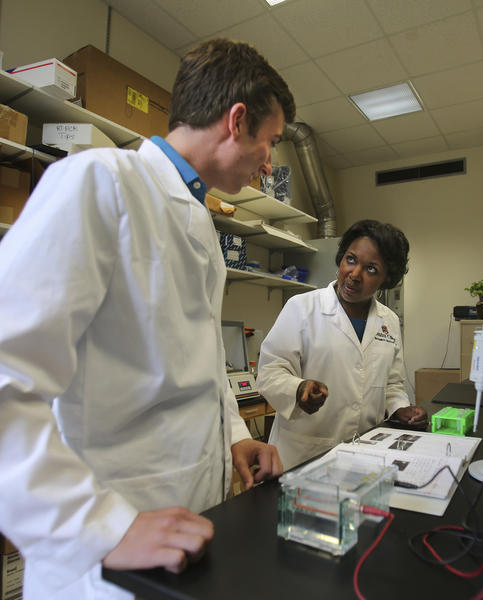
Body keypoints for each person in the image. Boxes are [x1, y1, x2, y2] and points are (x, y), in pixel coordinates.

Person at [0, 38, 295, 599]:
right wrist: (97, 527)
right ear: (237, 121)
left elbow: (198, 355)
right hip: (110, 539)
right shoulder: (100, 182)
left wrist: (235, 435)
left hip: (189, 520)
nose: (269, 161)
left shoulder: (198, 220)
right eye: (270, 141)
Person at [257, 219, 428, 470]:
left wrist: (400, 409)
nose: (355, 274)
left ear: (387, 278)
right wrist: (298, 388)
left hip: (366, 454)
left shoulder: (388, 321)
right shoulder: (302, 308)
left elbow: (391, 384)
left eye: (371, 269)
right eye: (351, 259)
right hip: (304, 456)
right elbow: (270, 372)